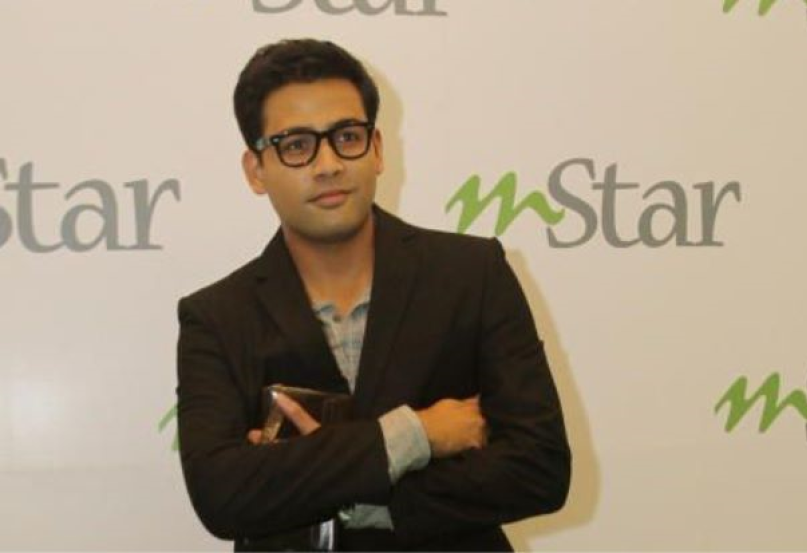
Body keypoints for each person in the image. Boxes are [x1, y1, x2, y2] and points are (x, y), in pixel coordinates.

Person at [176, 38, 571, 552]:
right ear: (256, 170)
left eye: (347, 136)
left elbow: (540, 468)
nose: (328, 164)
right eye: (296, 145)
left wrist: (355, 498)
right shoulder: (218, 317)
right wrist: (419, 434)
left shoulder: (472, 274)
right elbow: (223, 495)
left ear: (377, 149)